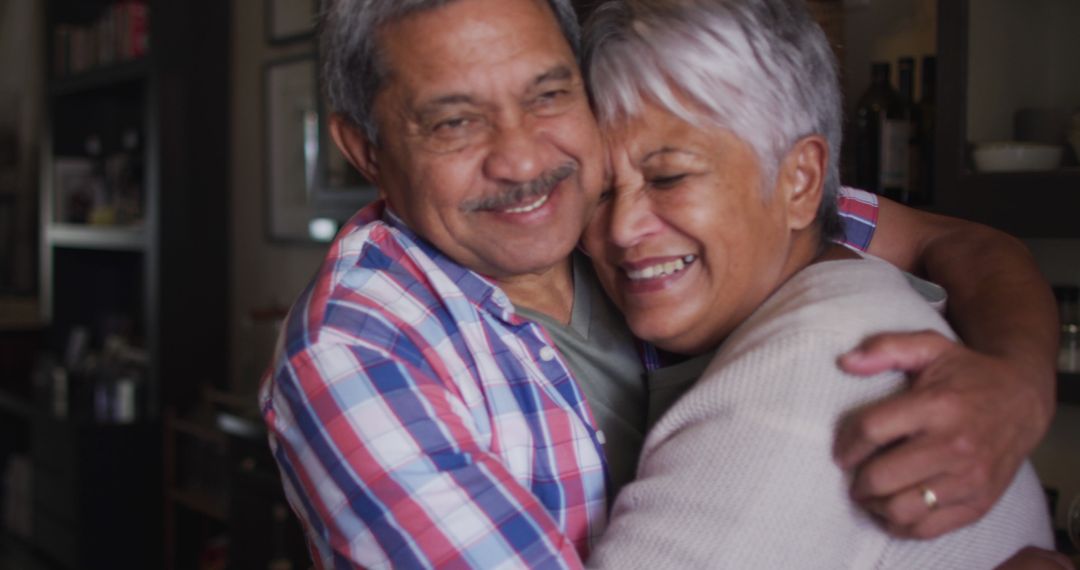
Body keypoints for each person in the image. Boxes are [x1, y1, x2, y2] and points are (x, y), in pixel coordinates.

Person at [259, 0, 1059, 566]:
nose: (526, 160)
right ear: (364, 149)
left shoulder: (686, 211)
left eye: (547, 94)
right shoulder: (359, 359)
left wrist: (1021, 389)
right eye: (455, 121)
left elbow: (965, 244)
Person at [578, 0, 1056, 566]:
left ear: (801, 180)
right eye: (599, 191)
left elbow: (975, 246)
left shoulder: (811, 359)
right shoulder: (781, 247)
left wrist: (1024, 387)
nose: (622, 226)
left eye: (670, 177)